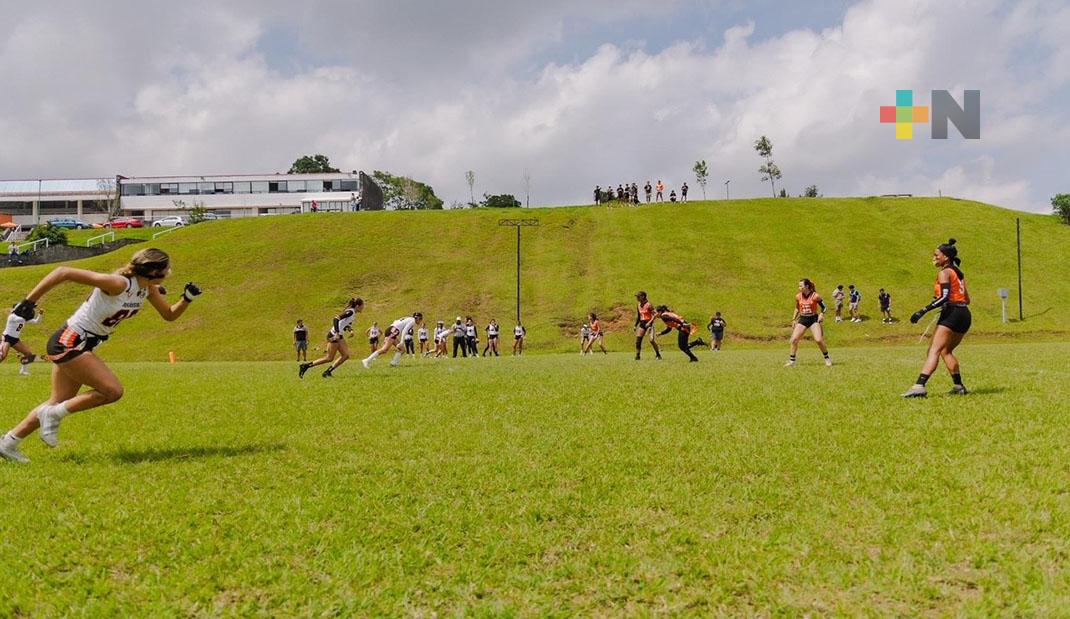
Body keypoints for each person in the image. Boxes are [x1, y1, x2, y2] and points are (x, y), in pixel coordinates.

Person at [0, 248, 201, 463]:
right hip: (69, 341)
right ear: (154, 271)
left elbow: (169, 315)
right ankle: (53, 415)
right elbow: (62, 272)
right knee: (112, 391)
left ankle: (8, 443)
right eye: (166, 268)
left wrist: (186, 298)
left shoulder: (148, 289)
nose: (169, 271)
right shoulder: (118, 284)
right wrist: (28, 303)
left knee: (58, 400)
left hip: (83, 343)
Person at [902, 239, 971, 397]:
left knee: (933, 350)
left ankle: (919, 386)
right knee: (946, 351)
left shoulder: (944, 273)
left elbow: (945, 297)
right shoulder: (959, 274)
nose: (934, 257)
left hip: (952, 314)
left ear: (945, 257)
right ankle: (959, 386)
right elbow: (967, 300)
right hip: (964, 314)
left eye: (936, 255)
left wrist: (922, 311)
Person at [299, 297, 363, 378]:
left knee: (345, 355)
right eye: (362, 306)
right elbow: (336, 319)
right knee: (329, 358)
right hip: (334, 335)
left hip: (339, 336)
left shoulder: (352, 313)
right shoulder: (350, 312)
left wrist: (350, 330)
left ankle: (327, 372)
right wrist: (336, 333)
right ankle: (306, 366)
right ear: (357, 306)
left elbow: (344, 324)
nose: (363, 307)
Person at [786, 278, 832, 367]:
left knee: (818, 340)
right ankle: (792, 361)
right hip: (803, 319)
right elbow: (797, 308)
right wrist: (794, 319)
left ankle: (827, 358)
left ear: (806, 286)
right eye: (799, 286)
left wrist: (822, 314)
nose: (799, 287)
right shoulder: (798, 296)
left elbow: (824, 307)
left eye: (801, 286)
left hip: (813, 319)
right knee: (794, 340)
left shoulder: (815, 296)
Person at [1, 305, 43, 376]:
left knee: (28, 354)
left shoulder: (22, 317)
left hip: (15, 339)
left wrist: (40, 314)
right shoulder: (12, 316)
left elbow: (36, 322)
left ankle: (23, 370)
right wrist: (29, 309)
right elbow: (22, 319)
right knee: (3, 356)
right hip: (7, 338)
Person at [633, 291, 662, 360]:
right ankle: (637, 356)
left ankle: (658, 354)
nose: (637, 298)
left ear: (643, 296)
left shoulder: (649, 305)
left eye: (638, 296)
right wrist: (635, 325)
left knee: (651, 340)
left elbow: (655, 314)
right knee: (638, 340)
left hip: (649, 324)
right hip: (642, 324)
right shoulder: (638, 305)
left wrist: (650, 322)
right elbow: (639, 316)